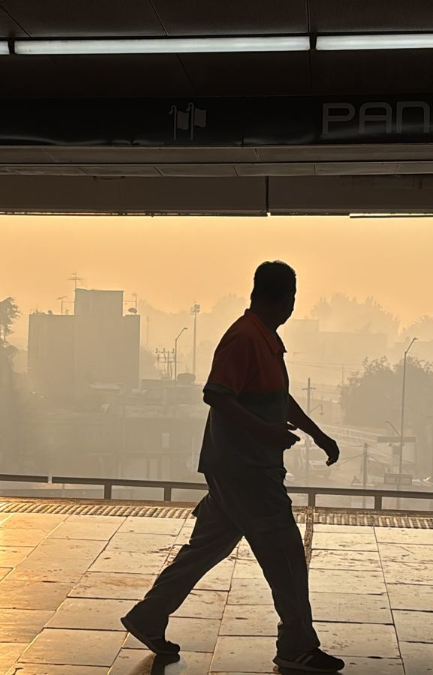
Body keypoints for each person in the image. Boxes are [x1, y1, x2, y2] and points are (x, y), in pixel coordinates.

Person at [122, 261, 344, 673]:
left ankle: (149, 616)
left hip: (237, 468)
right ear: (284, 299)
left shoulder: (264, 339)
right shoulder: (245, 339)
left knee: (206, 548)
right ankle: (296, 645)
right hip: (247, 470)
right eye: (292, 300)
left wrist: (317, 434)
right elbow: (217, 395)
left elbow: (280, 399)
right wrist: (267, 433)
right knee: (287, 556)